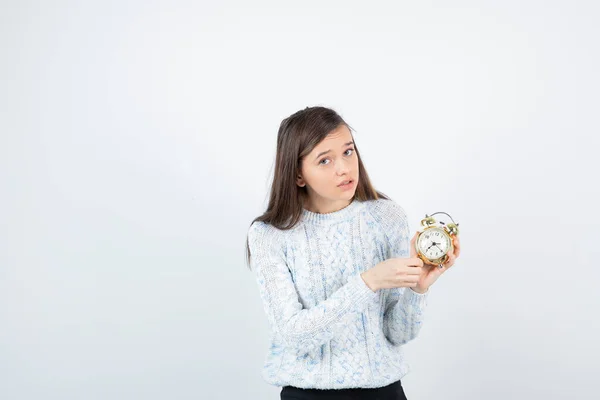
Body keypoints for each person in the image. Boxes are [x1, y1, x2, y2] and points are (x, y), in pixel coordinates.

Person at [245, 106, 461, 400]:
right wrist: (368, 282)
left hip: (384, 393)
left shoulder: (386, 218)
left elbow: (398, 334)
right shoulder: (270, 235)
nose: (344, 168)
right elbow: (294, 337)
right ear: (298, 175)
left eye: (348, 152)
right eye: (325, 160)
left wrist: (418, 288)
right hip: (307, 396)